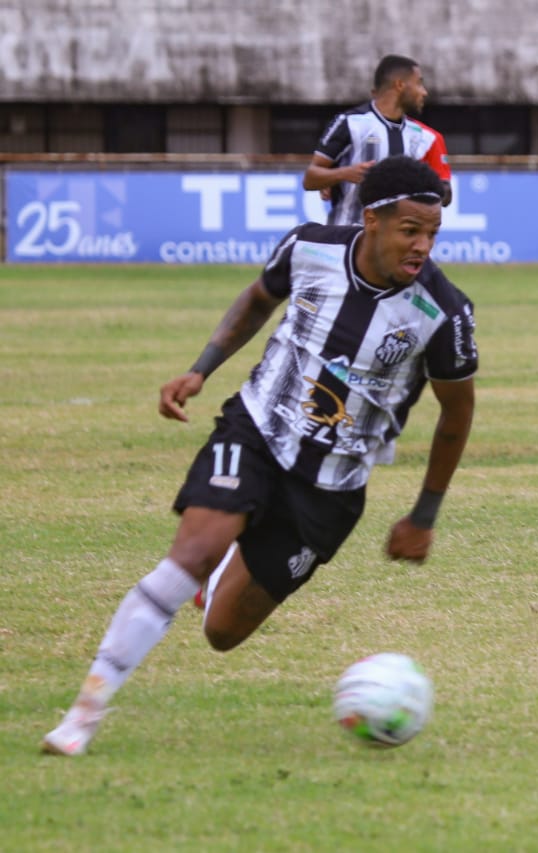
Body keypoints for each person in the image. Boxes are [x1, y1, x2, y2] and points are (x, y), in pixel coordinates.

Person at [42, 156, 477, 755]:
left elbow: (457, 415)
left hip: (331, 488)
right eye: (411, 230)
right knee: (190, 553)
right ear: (373, 220)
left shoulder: (444, 312)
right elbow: (255, 301)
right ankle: (82, 716)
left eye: (432, 233)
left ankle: (221, 570)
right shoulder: (308, 247)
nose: (422, 245)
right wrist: (199, 371)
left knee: (222, 632)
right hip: (257, 432)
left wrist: (423, 514)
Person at [304, 54, 453, 226]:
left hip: (394, 245)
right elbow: (310, 179)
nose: (424, 92)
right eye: (419, 83)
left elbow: (445, 195)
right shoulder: (351, 123)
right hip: (347, 236)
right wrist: (343, 174)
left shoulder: (423, 137)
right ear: (399, 84)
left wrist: (414, 183)